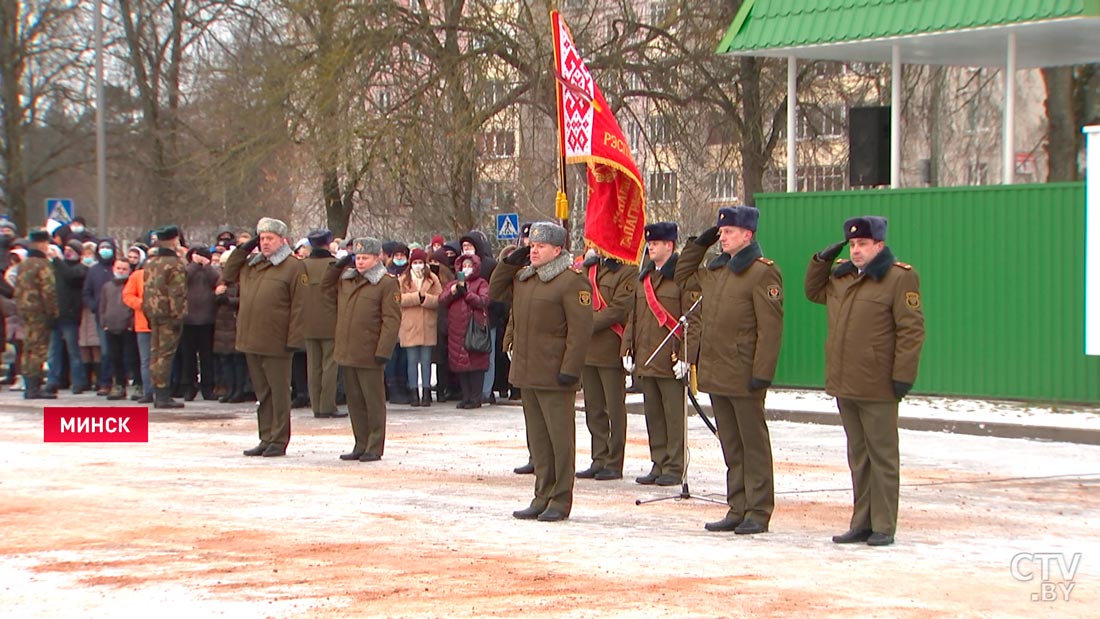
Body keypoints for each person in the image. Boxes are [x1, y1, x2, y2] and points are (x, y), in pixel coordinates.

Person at [804, 216, 925, 547]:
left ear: (879, 246)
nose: (856, 250)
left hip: (878, 383)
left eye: (863, 245)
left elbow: (911, 331)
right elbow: (813, 291)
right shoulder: (841, 278)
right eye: (853, 245)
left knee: (882, 456)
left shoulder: (898, 278)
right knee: (859, 455)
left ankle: (884, 524)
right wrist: (822, 260)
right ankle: (862, 521)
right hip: (846, 381)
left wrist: (902, 376)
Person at [675, 205, 783, 536]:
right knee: (732, 445)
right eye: (720, 233)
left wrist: (762, 373)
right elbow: (682, 276)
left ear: (747, 235)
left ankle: (759, 509)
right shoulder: (716, 270)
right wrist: (700, 243)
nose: (722, 238)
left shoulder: (762, 272)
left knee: (753, 444)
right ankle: (738, 506)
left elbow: (770, 329)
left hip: (744, 370)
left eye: (728, 233)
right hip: (718, 368)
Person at [489, 222, 592, 522]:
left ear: (557, 250)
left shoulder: (571, 282)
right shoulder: (524, 278)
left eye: (540, 246)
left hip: (555, 374)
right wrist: (510, 262)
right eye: (531, 245)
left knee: (560, 441)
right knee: (538, 441)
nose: (533, 250)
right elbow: (496, 292)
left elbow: (580, 331)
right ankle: (541, 495)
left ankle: (560, 499)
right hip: (528, 372)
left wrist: (571, 370)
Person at [623, 222, 699, 487]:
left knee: (673, 415)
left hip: (670, 358)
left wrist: (687, 356)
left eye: (655, 243)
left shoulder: (682, 276)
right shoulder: (644, 278)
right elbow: (635, 317)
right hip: (647, 356)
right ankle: (659, 461)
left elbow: (693, 319)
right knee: (653, 414)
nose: (650, 246)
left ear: (670, 245)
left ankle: (674, 465)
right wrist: (628, 348)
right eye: (649, 243)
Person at [222, 217, 305, 458]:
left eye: (270, 238)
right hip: (251, 338)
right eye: (262, 238)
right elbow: (228, 273)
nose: (265, 243)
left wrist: (293, 339)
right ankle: (265, 436)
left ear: (283, 240)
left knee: (279, 393)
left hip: (277, 341)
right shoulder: (253, 264)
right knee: (263, 393)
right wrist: (244, 247)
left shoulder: (293, 267)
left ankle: (279, 439)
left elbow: (299, 307)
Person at [322, 237, 401, 462]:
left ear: (377, 258)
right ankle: (360, 442)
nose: (360, 262)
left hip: (370, 351)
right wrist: (337, 265)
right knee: (355, 401)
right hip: (348, 350)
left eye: (365, 258)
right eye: (357, 258)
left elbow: (391, 320)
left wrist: (383, 351)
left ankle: (374, 446)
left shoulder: (386, 283)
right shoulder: (347, 280)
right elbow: (325, 289)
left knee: (372, 401)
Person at [576, 250, 637, 481]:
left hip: (611, 347)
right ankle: (598, 457)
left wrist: (583, 324)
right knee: (593, 409)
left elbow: (619, 309)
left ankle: (614, 461)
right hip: (588, 350)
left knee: (614, 409)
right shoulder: (588, 270)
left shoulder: (627, 271)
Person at [142, 225, 188, 408]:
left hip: (153, 313)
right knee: (165, 355)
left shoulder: (151, 262)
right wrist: (178, 315)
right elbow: (177, 293)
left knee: (155, 353)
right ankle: (162, 395)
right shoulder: (174, 264)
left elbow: (147, 290)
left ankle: (156, 392)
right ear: (174, 239)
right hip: (169, 314)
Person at [300, 229, 343, 417]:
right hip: (331, 321)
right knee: (329, 366)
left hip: (307, 321)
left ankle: (316, 405)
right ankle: (327, 406)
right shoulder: (334, 265)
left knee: (313, 365)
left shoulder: (302, 266)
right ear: (328, 243)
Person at [439, 253, 491, 409]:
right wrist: (454, 291)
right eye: (464, 266)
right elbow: (442, 300)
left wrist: (467, 294)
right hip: (456, 330)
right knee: (460, 365)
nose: (466, 269)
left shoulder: (481, 283)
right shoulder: (453, 284)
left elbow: (484, 301)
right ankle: (466, 396)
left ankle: (476, 397)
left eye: (469, 266)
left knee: (476, 364)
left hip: (474, 329)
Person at [14, 229, 59, 399]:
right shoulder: (43, 264)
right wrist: (53, 313)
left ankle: (29, 385)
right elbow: (49, 291)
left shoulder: (24, 264)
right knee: (39, 348)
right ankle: (34, 387)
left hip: (25, 310)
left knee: (28, 347)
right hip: (39, 311)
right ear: (42, 244)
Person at [398, 248, 442, 407]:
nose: (417, 265)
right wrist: (416, 298)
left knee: (426, 361)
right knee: (412, 361)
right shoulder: (403, 280)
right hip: (409, 325)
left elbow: (439, 299)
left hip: (427, 325)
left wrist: (426, 299)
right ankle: (413, 392)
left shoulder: (432, 279)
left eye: (420, 262)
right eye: (415, 263)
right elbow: (397, 299)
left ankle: (427, 392)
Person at [45, 240, 90, 394]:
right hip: (56, 315)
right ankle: (53, 381)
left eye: (71, 249)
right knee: (54, 352)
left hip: (70, 315)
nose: (67, 252)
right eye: (66, 249)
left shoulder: (81, 269)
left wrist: (57, 259)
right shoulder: (57, 268)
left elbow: (70, 276)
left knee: (73, 350)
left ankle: (78, 381)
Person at [180, 246, 219, 400]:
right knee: (188, 356)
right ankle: (189, 386)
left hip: (207, 319)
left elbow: (216, 280)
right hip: (188, 319)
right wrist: (195, 265)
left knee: (207, 356)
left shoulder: (211, 271)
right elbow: (184, 277)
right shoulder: (188, 269)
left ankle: (208, 387)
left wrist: (206, 266)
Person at [82, 238, 118, 395]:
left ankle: (120, 382)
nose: (105, 250)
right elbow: (87, 291)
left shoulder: (117, 267)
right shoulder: (93, 270)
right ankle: (105, 382)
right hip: (101, 317)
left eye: (108, 247)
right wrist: (93, 307)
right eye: (102, 247)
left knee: (119, 351)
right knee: (105, 351)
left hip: (120, 316)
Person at [98, 259, 135, 400]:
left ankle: (136, 383)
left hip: (127, 327)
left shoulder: (131, 286)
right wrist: (104, 323)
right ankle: (119, 384)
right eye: (119, 268)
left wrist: (131, 323)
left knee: (130, 357)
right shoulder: (107, 286)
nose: (121, 271)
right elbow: (102, 306)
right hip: (110, 327)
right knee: (114, 357)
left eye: (124, 269)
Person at [122, 248, 155, 403]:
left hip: (164, 324)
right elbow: (127, 295)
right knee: (146, 360)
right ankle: (148, 391)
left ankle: (164, 390)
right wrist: (142, 304)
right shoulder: (137, 276)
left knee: (163, 359)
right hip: (143, 324)